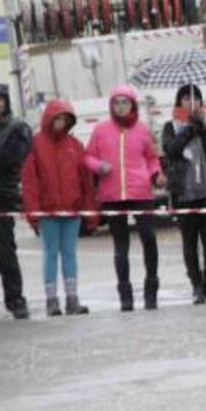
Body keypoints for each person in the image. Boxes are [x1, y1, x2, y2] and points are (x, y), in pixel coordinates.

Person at [85, 85, 164, 311]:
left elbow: (152, 159)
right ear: (111, 106)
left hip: (140, 191)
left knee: (148, 237)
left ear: (132, 105)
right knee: (121, 245)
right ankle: (125, 294)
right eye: (116, 103)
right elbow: (88, 156)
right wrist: (99, 166)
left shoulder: (142, 130)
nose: (120, 107)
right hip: (112, 195)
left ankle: (151, 288)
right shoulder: (101, 130)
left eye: (124, 102)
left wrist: (156, 175)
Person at [22, 100, 97, 316]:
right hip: (48, 212)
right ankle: (51, 300)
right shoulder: (35, 145)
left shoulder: (75, 145)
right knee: (51, 254)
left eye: (64, 119)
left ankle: (72, 299)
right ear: (48, 119)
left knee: (70, 254)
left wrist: (90, 210)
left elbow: (86, 182)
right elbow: (30, 181)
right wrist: (33, 213)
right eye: (57, 118)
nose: (60, 123)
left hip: (71, 211)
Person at [162, 84, 206, 304]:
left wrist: (202, 127)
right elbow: (171, 150)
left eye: (195, 99)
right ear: (180, 103)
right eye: (186, 99)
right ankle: (196, 285)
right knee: (190, 242)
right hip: (184, 193)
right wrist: (189, 129)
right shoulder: (171, 126)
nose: (192, 103)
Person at [0, 83, 32, 319]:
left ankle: (15, 300)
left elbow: (11, 158)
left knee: (5, 254)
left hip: (0, 198)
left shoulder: (17, 127)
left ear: (6, 102)